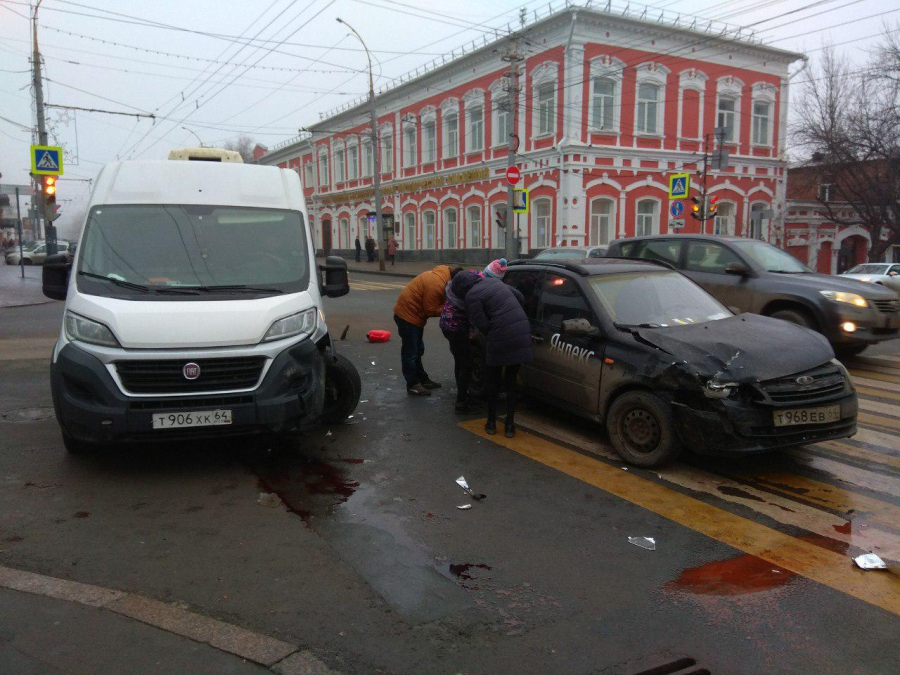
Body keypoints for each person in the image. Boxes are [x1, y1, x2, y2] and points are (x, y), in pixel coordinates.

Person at [464, 263, 532, 437]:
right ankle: (509, 425)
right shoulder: (497, 283)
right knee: (510, 382)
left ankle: (492, 423)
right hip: (522, 330)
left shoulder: (471, 295)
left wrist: (495, 330)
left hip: (500, 334)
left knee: (493, 381)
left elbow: (482, 325)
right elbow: (520, 297)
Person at [394, 265, 463, 396]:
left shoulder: (443, 275)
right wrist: (449, 307)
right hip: (407, 316)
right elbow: (430, 310)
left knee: (418, 349)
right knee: (411, 352)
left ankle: (422, 379)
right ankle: (413, 384)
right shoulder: (436, 285)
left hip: (413, 315)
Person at [440, 270, 482, 413]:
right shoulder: (465, 298)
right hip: (456, 329)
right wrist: (473, 330)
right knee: (467, 364)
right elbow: (472, 314)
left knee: (459, 360)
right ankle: (461, 402)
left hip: (448, 326)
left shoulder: (453, 290)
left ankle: (461, 393)